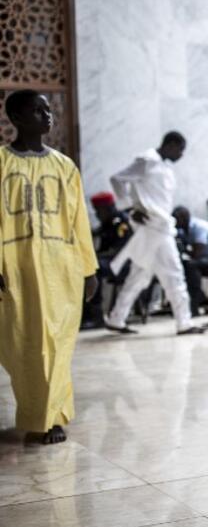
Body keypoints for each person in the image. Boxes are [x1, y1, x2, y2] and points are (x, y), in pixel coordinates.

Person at [0, 90, 99, 444]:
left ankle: (52, 418)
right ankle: (36, 411)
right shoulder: (2, 162)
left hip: (61, 271)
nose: (48, 115)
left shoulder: (64, 166)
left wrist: (89, 269)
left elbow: (78, 223)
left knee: (57, 343)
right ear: (16, 118)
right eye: (37, 110)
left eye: (48, 109)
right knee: (23, 344)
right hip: (16, 269)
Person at [104, 132, 204, 335]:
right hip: (152, 228)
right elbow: (117, 179)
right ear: (171, 144)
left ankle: (116, 319)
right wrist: (130, 208)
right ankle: (184, 323)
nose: (181, 155)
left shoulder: (165, 166)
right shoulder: (147, 160)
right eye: (180, 150)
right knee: (174, 273)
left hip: (160, 226)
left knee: (139, 275)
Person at [81, 191, 132, 329]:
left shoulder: (121, 223)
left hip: (124, 265)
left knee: (93, 269)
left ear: (109, 207)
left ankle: (96, 316)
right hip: (111, 263)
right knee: (86, 267)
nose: (97, 215)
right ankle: (84, 314)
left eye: (99, 211)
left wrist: (95, 258)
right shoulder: (106, 224)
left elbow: (119, 251)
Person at [173, 206, 208, 315]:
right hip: (203, 259)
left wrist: (184, 251)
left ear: (184, 218)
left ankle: (194, 306)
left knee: (191, 266)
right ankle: (199, 300)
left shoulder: (199, 227)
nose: (174, 222)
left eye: (176, 219)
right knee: (183, 267)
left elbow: (197, 252)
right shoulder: (182, 230)